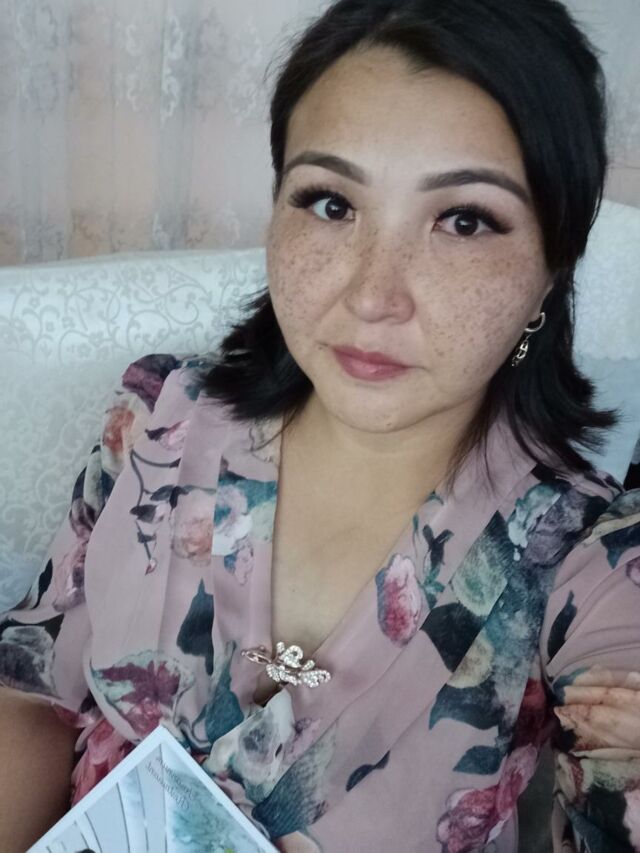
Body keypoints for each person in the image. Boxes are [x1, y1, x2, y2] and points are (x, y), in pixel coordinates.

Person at [1, 0, 639, 850]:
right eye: (331, 203)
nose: (373, 295)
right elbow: (32, 680)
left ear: (552, 267)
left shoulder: (589, 561)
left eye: (464, 220)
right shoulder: (161, 415)